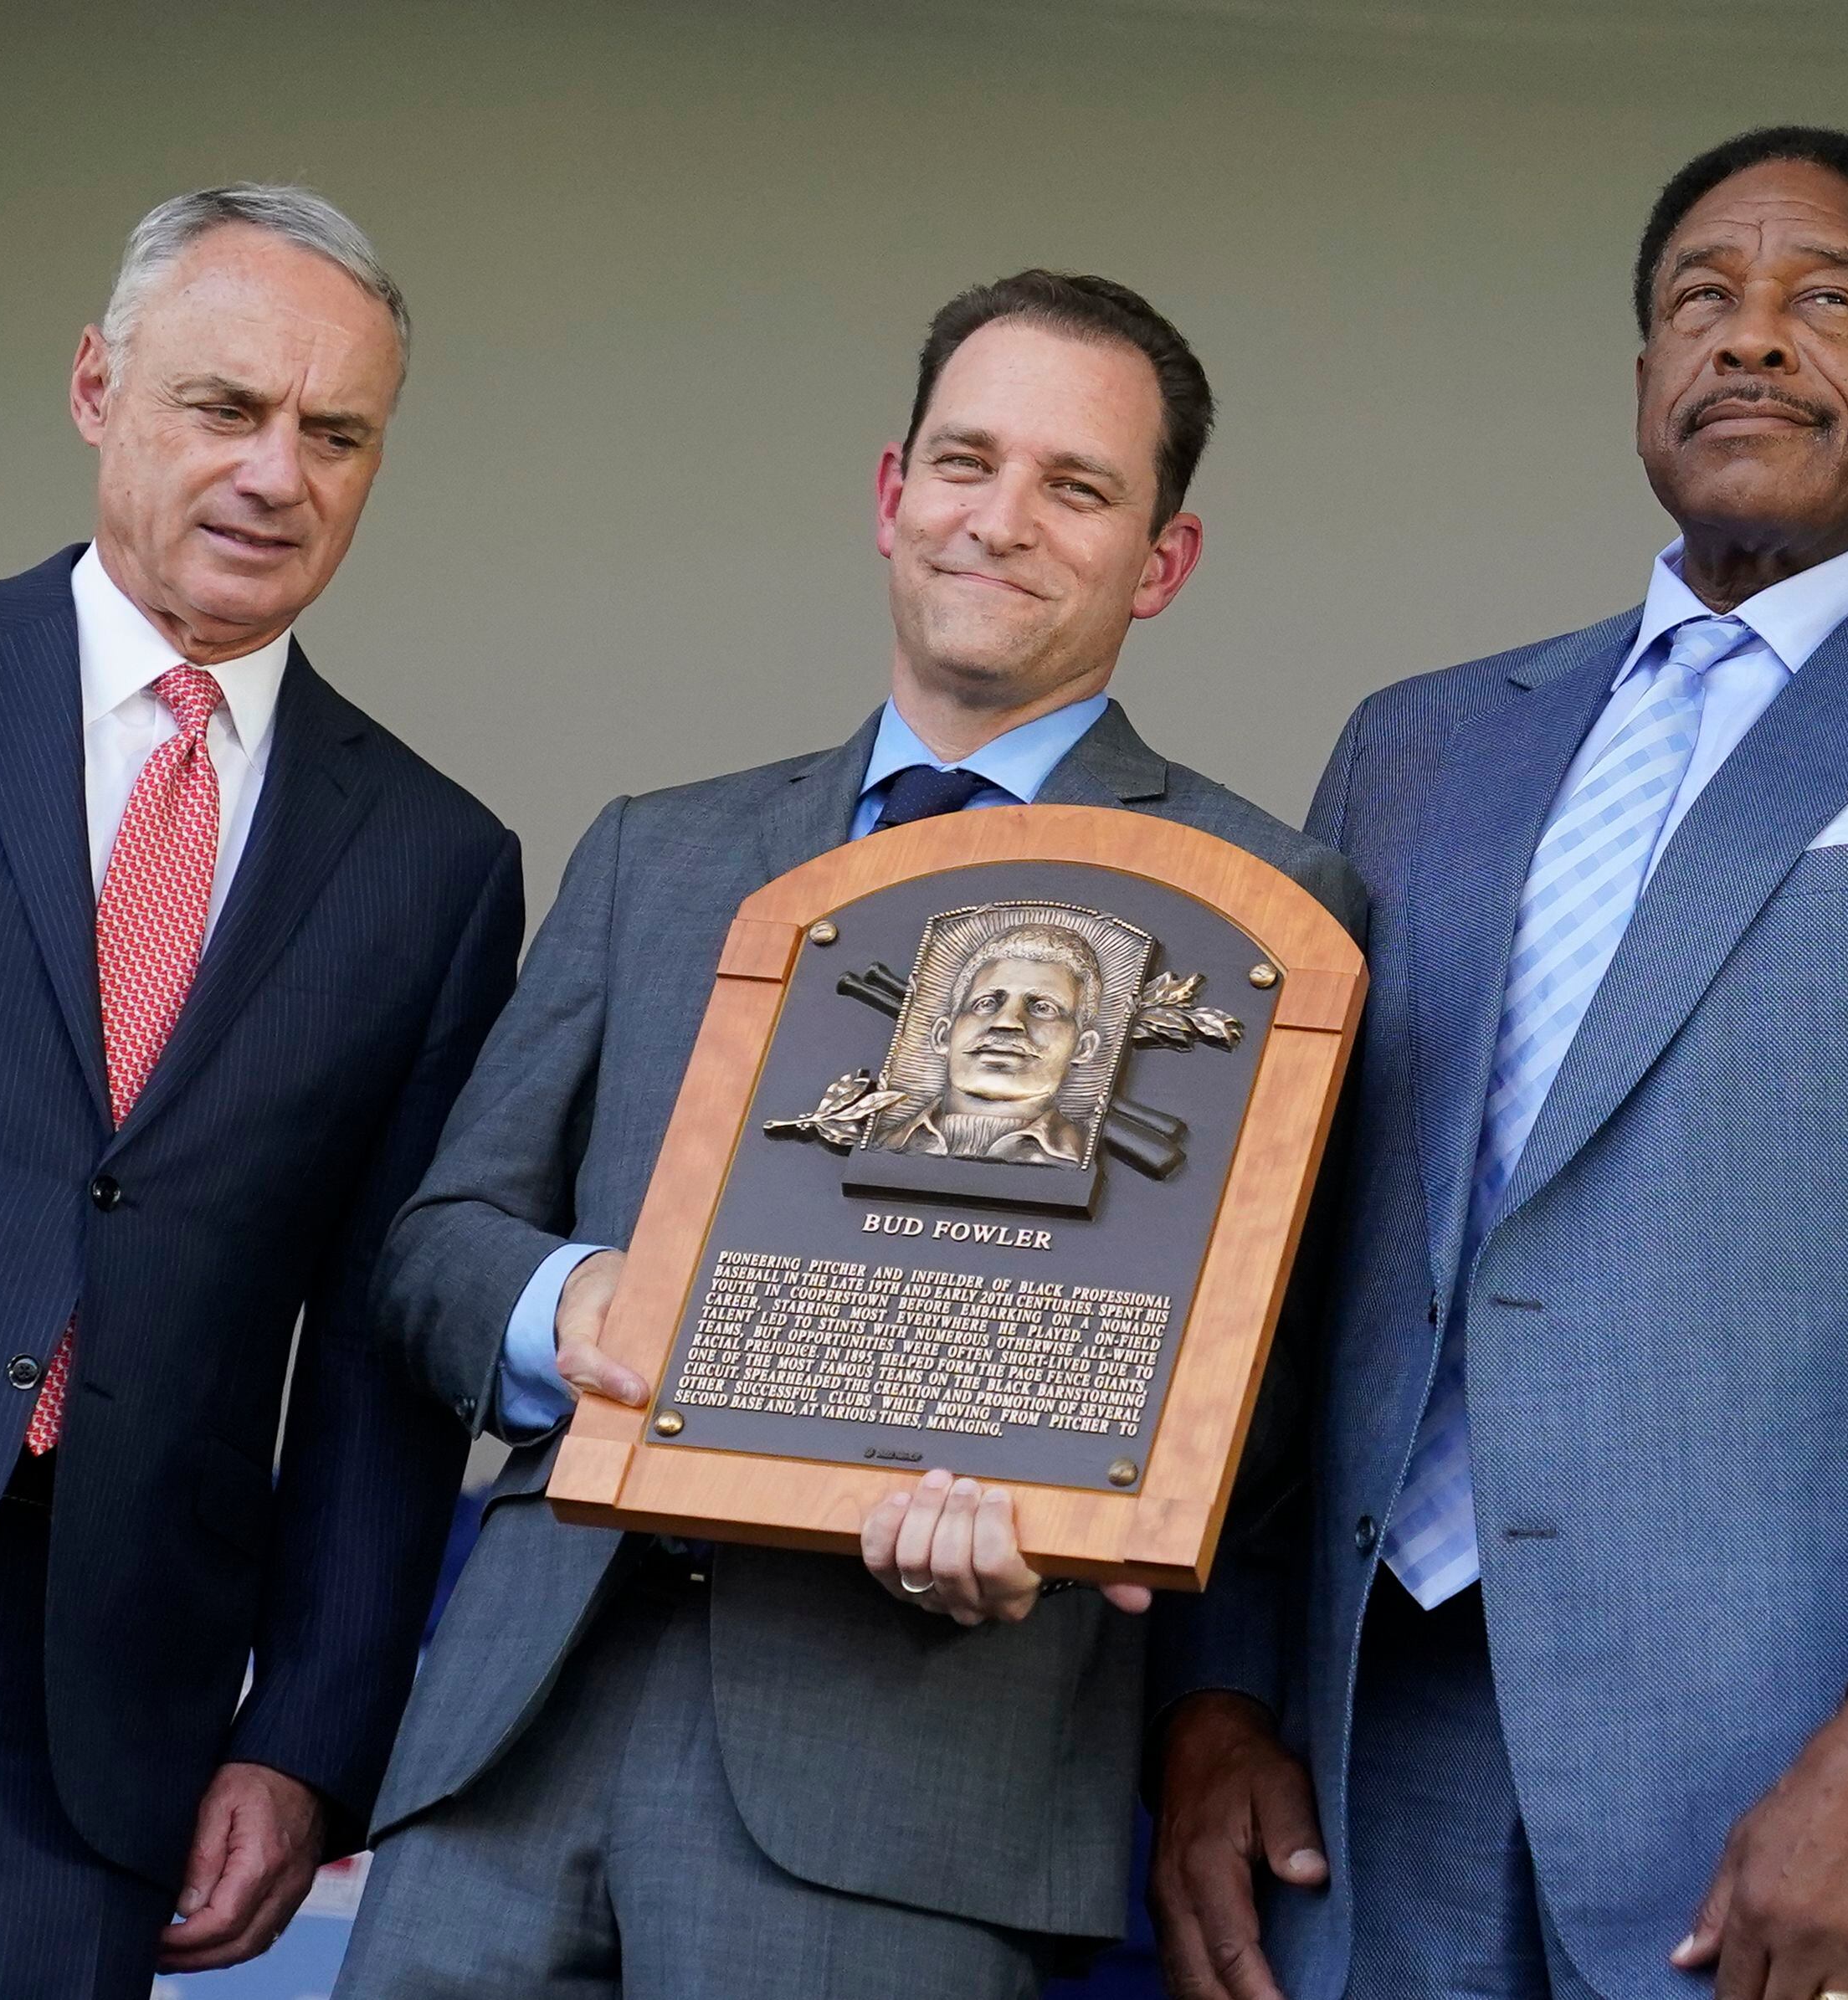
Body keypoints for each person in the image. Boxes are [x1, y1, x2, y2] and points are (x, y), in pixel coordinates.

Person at [1149, 126, 1848, 2000]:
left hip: (1800, 1773)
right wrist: (1218, 1690)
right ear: (1642, 377)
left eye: (1819, 299)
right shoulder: (1417, 746)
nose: (1745, 339)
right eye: (1696, 301)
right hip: (1367, 1784)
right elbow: (1279, 1250)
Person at [338, 270, 1366, 2000]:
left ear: (1161, 562)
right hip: (511, 1741)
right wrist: (577, 1308)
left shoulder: (1258, 903)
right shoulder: (658, 853)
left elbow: (1268, 1391)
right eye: (966, 462)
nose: (1002, 520)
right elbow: (440, 1241)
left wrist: (1059, 1511)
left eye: (1076, 486)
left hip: (903, 1781)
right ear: (891, 494)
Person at [0, 185, 521, 1995]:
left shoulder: (435, 863)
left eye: (335, 432)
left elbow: (378, 1347)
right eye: (226, 407)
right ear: (98, 387)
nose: (278, 472)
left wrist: (306, 1738)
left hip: (89, 1706)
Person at [875, 922, 1108, 1163]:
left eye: (1043, 1008)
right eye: (986, 1003)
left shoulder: (1086, 1156)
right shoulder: (882, 1145)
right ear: (943, 1035)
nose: (1007, 1022)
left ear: (1083, 1047)